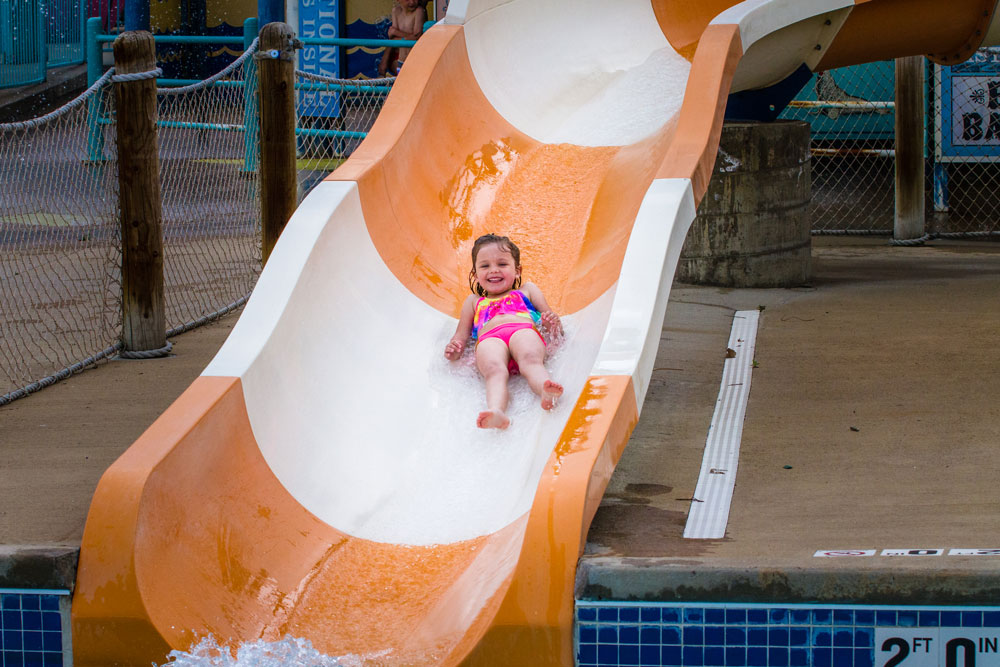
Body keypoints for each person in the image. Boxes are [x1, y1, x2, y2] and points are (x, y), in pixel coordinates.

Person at [444, 234, 564, 430]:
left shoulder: (527, 291)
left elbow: (552, 321)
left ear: (517, 271)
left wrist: (552, 323)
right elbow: (461, 337)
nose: (494, 270)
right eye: (485, 266)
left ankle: (545, 390)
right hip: (490, 340)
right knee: (494, 370)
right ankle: (497, 412)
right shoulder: (473, 301)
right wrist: (454, 349)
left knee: (530, 358)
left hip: (522, 331)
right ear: (475, 275)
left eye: (502, 264)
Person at [378, 0, 427, 76]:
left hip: (412, 57)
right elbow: (392, 38)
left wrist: (395, 32)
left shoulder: (419, 11)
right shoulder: (396, 11)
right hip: (398, 56)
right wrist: (384, 60)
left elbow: (417, 37)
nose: (412, 2)